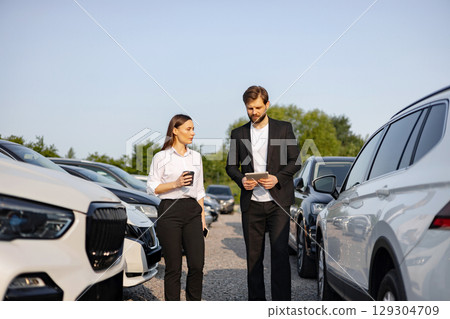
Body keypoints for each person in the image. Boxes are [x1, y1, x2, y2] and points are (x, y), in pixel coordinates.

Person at [226, 85, 301, 301]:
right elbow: (231, 166)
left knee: (279, 256)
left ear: (267, 105)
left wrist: (277, 178)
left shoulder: (283, 128)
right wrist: (241, 180)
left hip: (279, 203)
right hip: (252, 205)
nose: (254, 112)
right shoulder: (238, 133)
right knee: (254, 259)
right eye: (250, 109)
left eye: (258, 107)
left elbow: (296, 161)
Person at [147, 114, 206, 301]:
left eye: (193, 129)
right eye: (188, 129)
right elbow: (152, 188)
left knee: (197, 265)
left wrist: (203, 219)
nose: (193, 133)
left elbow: (200, 190)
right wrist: (176, 183)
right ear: (175, 130)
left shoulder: (196, 157)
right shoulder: (161, 157)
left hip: (192, 210)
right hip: (169, 210)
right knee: (173, 267)